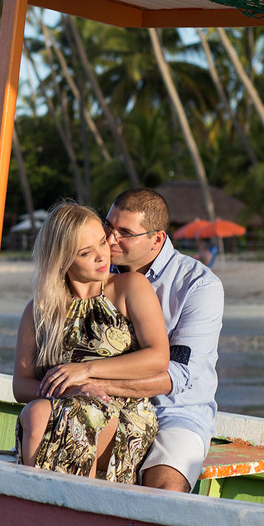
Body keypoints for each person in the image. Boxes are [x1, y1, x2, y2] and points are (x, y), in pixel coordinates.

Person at [12, 201, 171, 483]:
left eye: (101, 243)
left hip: (122, 412)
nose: (102, 256)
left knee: (74, 415)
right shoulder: (39, 310)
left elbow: (158, 357)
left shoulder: (128, 287)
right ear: (62, 260)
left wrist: (86, 370)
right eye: (87, 253)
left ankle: (68, 503)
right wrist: (70, 389)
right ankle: (39, 499)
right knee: (36, 413)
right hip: (61, 408)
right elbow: (21, 385)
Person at [89, 188, 225, 493]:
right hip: (104, 404)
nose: (110, 239)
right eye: (108, 226)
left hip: (173, 413)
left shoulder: (198, 286)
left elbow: (177, 375)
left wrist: (93, 379)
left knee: (166, 490)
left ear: (157, 239)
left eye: (124, 232)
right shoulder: (96, 270)